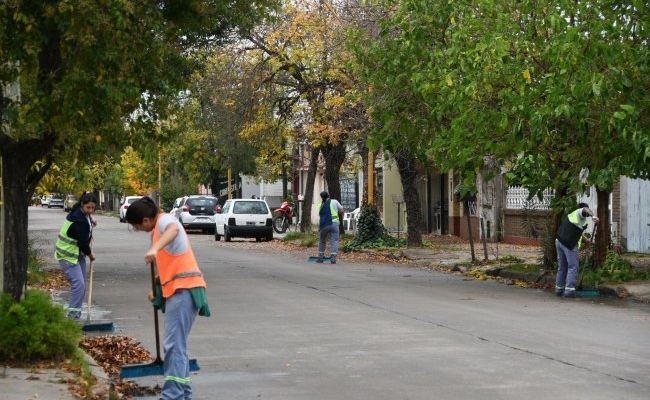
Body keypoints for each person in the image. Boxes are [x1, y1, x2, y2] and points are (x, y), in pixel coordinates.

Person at [125, 196, 210, 400]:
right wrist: (156, 287)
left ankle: (173, 395)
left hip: (185, 290)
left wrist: (154, 248)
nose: (138, 230)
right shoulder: (157, 230)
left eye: (137, 226)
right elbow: (167, 265)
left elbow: (173, 230)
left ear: (146, 220)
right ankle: (182, 393)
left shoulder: (164, 221)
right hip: (181, 290)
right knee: (177, 345)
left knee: (173, 345)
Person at [54, 191, 97, 320]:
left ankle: (75, 315)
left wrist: (91, 219)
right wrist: (91, 254)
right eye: (88, 207)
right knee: (78, 285)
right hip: (67, 255)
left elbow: (86, 218)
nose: (90, 210)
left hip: (77, 254)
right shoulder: (79, 220)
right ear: (82, 204)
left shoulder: (80, 212)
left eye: (93, 208)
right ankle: (72, 318)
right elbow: (83, 243)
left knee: (81, 286)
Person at [555, 202, 599, 298]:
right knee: (573, 266)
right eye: (587, 211)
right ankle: (569, 291)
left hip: (559, 241)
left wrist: (586, 240)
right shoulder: (579, 212)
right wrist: (593, 216)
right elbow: (585, 209)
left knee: (562, 267)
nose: (587, 213)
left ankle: (559, 289)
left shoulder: (574, 217)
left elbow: (577, 231)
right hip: (569, 244)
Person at [316, 191, 344, 264]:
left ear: (321, 197)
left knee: (322, 240)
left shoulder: (320, 205)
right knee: (334, 240)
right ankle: (333, 258)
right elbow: (342, 210)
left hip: (324, 225)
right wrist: (337, 212)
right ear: (329, 195)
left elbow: (320, 215)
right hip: (334, 224)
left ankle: (320, 258)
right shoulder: (335, 201)